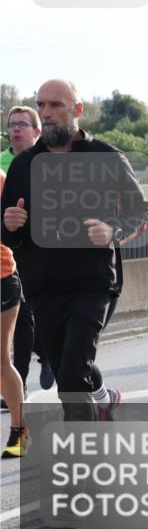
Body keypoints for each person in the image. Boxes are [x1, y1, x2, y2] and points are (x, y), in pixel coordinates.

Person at [1, 79, 148, 422]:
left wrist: (113, 228)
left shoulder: (107, 157)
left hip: (93, 284)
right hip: (42, 288)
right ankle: (102, 399)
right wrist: (8, 223)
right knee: (72, 367)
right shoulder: (23, 166)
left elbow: (138, 212)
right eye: (41, 105)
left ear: (77, 110)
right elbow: (7, 235)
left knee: (69, 378)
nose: (46, 113)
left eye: (55, 105)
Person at [2, 107, 53, 399]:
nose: (16, 129)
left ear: (37, 131)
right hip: (12, 251)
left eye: (23, 124)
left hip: (43, 253)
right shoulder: (4, 162)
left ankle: (48, 354)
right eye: (12, 125)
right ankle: (17, 384)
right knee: (23, 320)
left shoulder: (49, 161)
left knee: (35, 317)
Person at [1, 170, 28, 457]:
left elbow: (12, 230)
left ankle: (20, 430)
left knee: (0, 361)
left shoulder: (1, 179)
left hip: (2, 278)